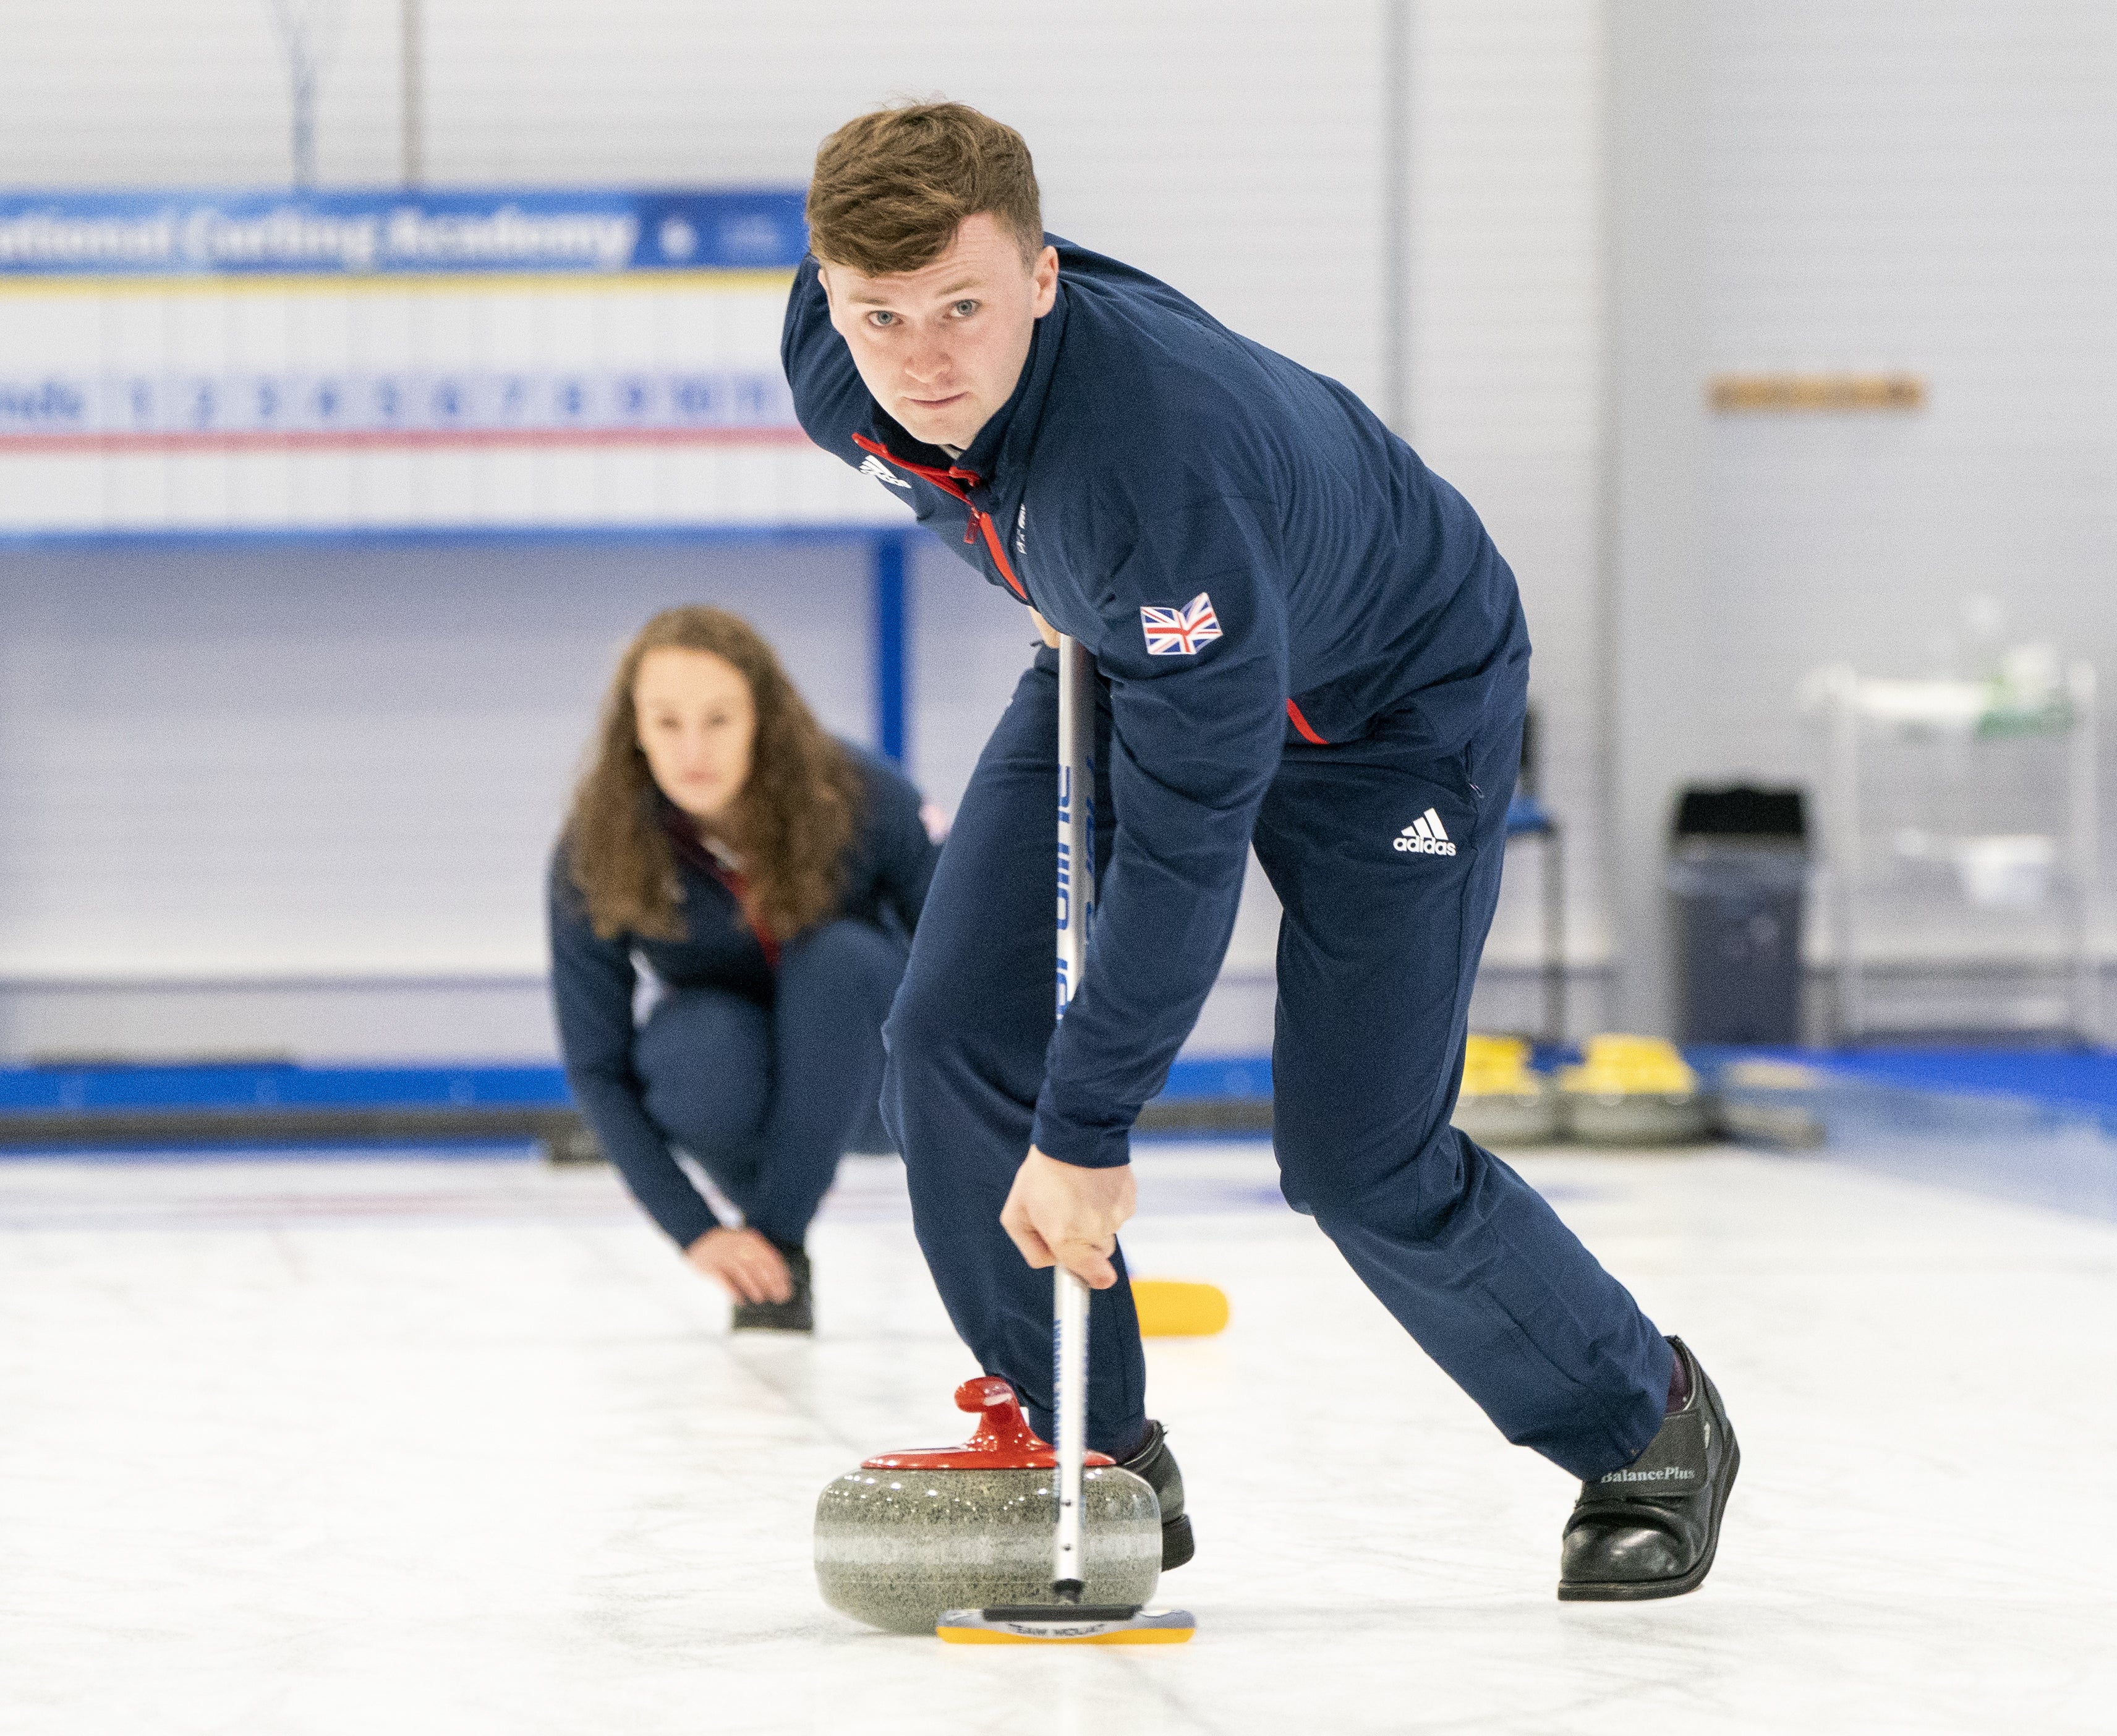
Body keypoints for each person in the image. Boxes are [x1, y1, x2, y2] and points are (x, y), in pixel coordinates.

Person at [782, 101, 1738, 1599]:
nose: (920, 363)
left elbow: (1183, 850)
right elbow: (966, 476)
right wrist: (1025, 563)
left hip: (1388, 707)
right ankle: (1093, 1447)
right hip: (1130, 645)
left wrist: (1088, 1132)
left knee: (1357, 1157)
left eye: (964, 307)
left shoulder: (1157, 479)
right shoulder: (831, 360)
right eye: (880, 314)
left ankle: (1645, 1422)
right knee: (944, 1037)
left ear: (1043, 280)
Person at [548, 605, 939, 1332]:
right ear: (633, 728)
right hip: (745, 1086)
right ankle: (768, 1268)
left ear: (762, 715)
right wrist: (693, 1229)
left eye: (719, 719)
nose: (693, 749)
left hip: (886, 1084)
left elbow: (966, 977)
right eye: (667, 722)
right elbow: (596, 1064)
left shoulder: (865, 797)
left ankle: (777, 1236)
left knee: (840, 954)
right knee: (691, 1044)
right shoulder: (594, 849)